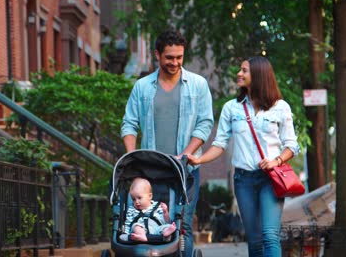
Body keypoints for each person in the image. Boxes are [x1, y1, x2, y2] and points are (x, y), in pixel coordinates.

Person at [188, 56, 300, 256]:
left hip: (270, 179)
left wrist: (276, 160)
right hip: (243, 180)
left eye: (244, 70)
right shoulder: (232, 108)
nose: (239, 74)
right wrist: (199, 159)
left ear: (258, 75)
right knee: (255, 239)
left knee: (269, 235)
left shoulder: (280, 107)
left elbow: (291, 145)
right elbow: (219, 144)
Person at [121, 28, 214, 256]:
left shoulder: (198, 85)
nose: (175, 62)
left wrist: (185, 154)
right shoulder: (142, 87)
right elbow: (129, 124)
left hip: (186, 170)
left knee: (182, 228)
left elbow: (204, 123)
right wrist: (132, 158)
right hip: (149, 171)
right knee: (145, 222)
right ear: (157, 55)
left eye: (179, 57)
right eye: (169, 57)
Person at [120, 177, 177, 242]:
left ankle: (166, 233)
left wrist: (165, 212)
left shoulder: (158, 206)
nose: (136, 201)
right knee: (135, 226)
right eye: (133, 199)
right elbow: (128, 223)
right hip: (141, 229)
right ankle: (142, 236)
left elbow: (165, 222)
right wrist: (126, 234)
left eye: (139, 198)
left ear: (150, 196)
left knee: (166, 226)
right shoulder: (132, 210)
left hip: (156, 229)